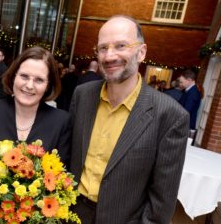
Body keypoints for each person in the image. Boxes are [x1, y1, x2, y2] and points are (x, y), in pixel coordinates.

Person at [69, 15, 190, 224]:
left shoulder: (170, 115)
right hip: (69, 213)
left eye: (121, 46)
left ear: (141, 52)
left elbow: (161, 202)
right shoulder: (82, 95)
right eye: (103, 48)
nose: (109, 56)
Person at [0, 46, 71, 164]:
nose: (29, 85)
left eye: (39, 80)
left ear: (47, 86)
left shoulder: (61, 122)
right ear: (14, 76)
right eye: (24, 76)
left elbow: (62, 175)